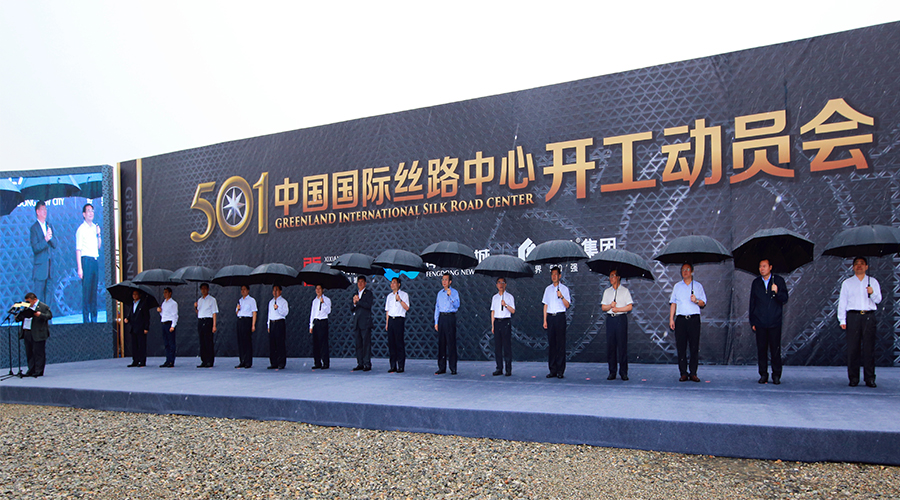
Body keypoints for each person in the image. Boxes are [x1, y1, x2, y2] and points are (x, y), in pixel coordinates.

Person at [837, 256, 882, 388]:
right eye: (856, 264)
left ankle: (870, 378)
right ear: (853, 267)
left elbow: (878, 300)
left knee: (869, 349)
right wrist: (842, 319)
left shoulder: (872, 282)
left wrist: (872, 293)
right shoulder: (847, 283)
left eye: (862, 263)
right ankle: (853, 378)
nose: (859, 266)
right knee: (853, 349)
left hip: (868, 316)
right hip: (853, 316)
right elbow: (842, 302)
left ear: (866, 267)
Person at [748, 259, 788, 385]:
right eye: (760, 266)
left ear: (770, 267)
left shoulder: (778, 281)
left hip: (774, 322)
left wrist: (777, 292)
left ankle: (776, 375)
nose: (762, 269)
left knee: (775, 350)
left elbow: (784, 298)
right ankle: (763, 374)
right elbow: (752, 303)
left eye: (764, 266)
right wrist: (752, 321)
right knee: (761, 350)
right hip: (760, 322)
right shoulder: (756, 283)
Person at [669, 263, 707, 382]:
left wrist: (696, 300)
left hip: (694, 319)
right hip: (681, 319)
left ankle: (693, 373)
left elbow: (703, 303)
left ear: (692, 272)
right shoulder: (677, 286)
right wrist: (671, 318)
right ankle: (683, 373)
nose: (685, 272)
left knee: (694, 347)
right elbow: (673, 303)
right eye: (683, 270)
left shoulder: (698, 286)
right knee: (681, 347)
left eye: (687, 269)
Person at [601, 269, 633, 381]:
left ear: (618, 277)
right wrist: (610, 306)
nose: (611, 278)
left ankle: (623, 372)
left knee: (622, 346)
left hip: (621, 319)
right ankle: (612, 371)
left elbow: (629, 307)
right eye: (610, 276)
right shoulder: (607, 291)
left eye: (613, 276)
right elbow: (603, 307)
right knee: (611, 346)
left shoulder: (625, 291)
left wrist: (618, 309)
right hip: (610, 319)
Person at [542, 266, 571, 379]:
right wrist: (545, 320)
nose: (554, 276)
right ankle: (552, 370)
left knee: (560, 344)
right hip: (550, 317)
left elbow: (567, 305)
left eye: (556, 274)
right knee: (552, 344)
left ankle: (560, 370)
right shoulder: (547, 289)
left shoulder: (564, 289)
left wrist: (561, 296)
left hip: (560, 317)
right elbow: (545, 305)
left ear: (560, 276)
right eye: (552, 274)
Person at [75, 203, 101, 323]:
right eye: (89, 211)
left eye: (92, 211)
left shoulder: (95, 228)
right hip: (86, 262)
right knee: (86, 292)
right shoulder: (81, 229)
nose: (91, 213)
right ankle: (86, 320)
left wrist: (99, 234)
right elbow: (78, 249)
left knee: (94, 292)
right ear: (84, 214)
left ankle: (94, 319)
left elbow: (98, 246)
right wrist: (80, 268)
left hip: (95, 261)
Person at [16, 292, 52, 377]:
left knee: (38, 352)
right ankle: (31, 369)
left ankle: (39, 370)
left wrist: (40, 315)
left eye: (29, 301)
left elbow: (49, 316)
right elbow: (21, 317)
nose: (28, 303)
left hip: (38, 332)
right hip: (27, 331)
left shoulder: (43, 306)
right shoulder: (26, 307)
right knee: (29, 352)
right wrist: (18, 316)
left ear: (34, 300)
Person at [29, 201, 56, 308]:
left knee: (48, 298)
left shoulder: (49, 225)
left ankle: (47, 317)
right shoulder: (34, 228)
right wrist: (45, 239)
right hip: (40, 269)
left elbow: (55, 244)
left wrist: (50, 238)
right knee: (38, 298)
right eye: (43, 209)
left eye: (46, 209)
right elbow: (35, 248)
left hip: (49, 269)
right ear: (37, 211)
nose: (45, 212)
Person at [434, 272, 460, 375]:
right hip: (442, 318)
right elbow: (437, 307)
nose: (444, 282)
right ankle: (441, 367)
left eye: (446, 280)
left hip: (450, 317)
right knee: (441, 343)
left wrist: (450, 296)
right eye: (443, 279)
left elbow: (457, 305)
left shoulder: (454, 292)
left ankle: (453, 367)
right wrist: (436, 322)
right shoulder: (439, 293)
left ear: (450, 282)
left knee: (451, 343)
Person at [490, 277, 515, 377]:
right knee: (498, 347)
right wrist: (493, 325)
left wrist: (505, 305)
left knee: (507, 346)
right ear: (496, 285)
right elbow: (493, 311)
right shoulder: (494, 297)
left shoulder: (509, 297)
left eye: (503, 282)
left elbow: (513, 311)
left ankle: (508, 369)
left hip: (506, 322)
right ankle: (499, 368)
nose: (501, 284)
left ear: (506, 284)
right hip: (497, 322)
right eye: (499, 282)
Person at [385, 277, 410, 373]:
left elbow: (407, 308)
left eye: (394, 283)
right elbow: (387, 311)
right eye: (391, 283)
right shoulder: (389, 296)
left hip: (399, 320)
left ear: (399, 284)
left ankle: (401, 366)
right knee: (391, 344)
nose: (392, 284)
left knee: (399, 343)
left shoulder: (404, 295)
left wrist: (400, 300)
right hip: (391, 320)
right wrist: (387, 323)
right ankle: (392, 365)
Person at [350, 276, 374, 372]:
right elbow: (352, 308)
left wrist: (359, 301)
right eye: (358, 282)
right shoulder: (355, 294)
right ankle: (360, 363)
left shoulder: (368, 293)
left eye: (362, 282)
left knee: (366, 344)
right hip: (357, 322)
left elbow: (368, 305)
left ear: (365, 283)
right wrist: (354, 303)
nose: (360, 283)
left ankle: (367, 363)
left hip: (365, 322)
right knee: (358, 344)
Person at [124, 289, 150, 367]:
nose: (134, 296)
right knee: (134, 345)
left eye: (136, 294)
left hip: (141, 327)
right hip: (133, 327)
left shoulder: (143, 304)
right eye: (133, 294)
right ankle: (135, 360)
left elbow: (147, 317)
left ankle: (142, 361)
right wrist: (127, 319)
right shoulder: (131, 304)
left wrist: (146, 327)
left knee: (141, 345)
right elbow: (131, 314)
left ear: (139, 295)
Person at [194, 283, 218, 368]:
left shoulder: (212, 300)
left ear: (208, 289)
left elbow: (214, 313)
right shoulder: (199, 300)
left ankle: (209, 361)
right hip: (201, 320)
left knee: (208, 341)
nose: (203, 290)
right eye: (202, 289)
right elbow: (198, 312)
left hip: (208, 320)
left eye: (205, 288)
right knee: (202, 341)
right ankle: (203, 360)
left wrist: (214, 325)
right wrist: (195, 307)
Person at [267, 284, 289, 370]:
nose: (274, 292)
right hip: (272, 323)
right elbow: (269, 314)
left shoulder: (283, 302)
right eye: (273, 290)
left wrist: (278, 308)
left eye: (276, 290)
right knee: (272, 344)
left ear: (280, 291)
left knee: (280, 343)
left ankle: (281, 363)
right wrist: (268, 325)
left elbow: (285, 313)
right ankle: (273, 362)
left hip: (279, 322)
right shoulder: (271, 302)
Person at [309, 284, 331, 370]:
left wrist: (323, 303)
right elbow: (312, 313)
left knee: (323, 343)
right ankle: (317, 362)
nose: (318, 290)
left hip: (323, 322)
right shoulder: (314, 301)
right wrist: (311, 325)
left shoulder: (327, 300)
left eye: (319, 289)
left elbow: (328, 311)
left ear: (323, 290)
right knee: (316, 344)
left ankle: (325, 362)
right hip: (316, 322)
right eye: (316, 289)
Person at [235, 285, 257, 369]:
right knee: (240, 341)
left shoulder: (251, 300)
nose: (243, 291)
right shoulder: (240, 300)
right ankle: (242, 361)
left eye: (244, 289)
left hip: (247, 320)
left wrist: (253, 324)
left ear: (248, 290)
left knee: (247, 341)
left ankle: (248, 362)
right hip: (240, 320)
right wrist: (238, 309)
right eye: (241, 289)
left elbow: (254, 312)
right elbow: (236, 313)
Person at [157, 287, 178, 367]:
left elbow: (175, 315)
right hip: (164, 323)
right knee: (166, 343)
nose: (164, 294)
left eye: (166, 292)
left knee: (171, 343)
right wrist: (160, 311)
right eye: (164, 292)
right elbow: (164, 315)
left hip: (169, 323)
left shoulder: (173, 303)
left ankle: (171, 361)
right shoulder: (164, 303)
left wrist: (173, 326)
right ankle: (167, 359)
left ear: (170, 293)